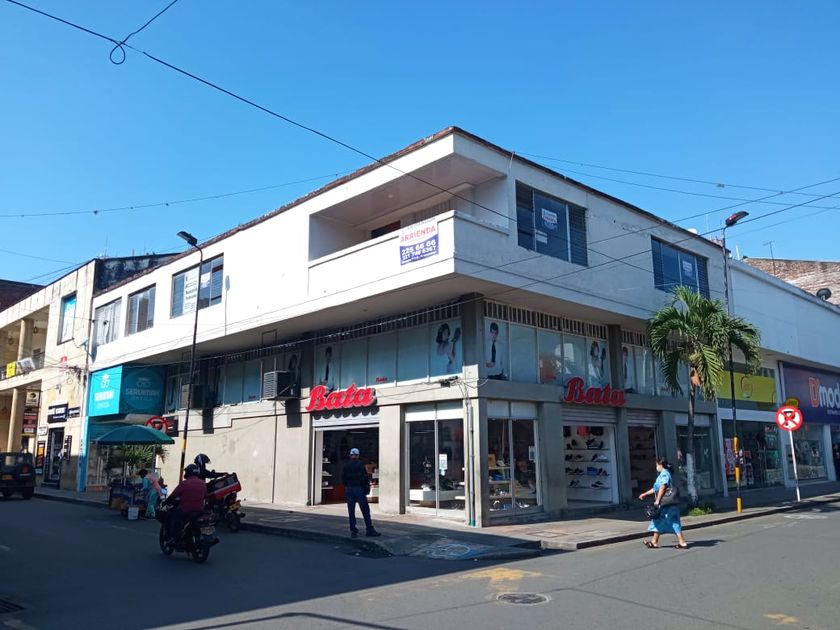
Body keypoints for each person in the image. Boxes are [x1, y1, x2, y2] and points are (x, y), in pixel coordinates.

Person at [639, 458, 689, 549]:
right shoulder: (664, 473)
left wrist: (657, 500)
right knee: (661, 521)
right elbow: (655, 488)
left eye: (656, 465)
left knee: (668, 521)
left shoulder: (664, 474)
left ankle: (681, 542)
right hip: (668, 503)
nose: (656, 467)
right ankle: (654, 542)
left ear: (660, 465)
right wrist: (645, 494)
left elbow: (662, 487)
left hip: (666, 503)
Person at [341, 448, 380, 538]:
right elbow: (365, 478)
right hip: (359, 489)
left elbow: (343, 479)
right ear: (358, 455)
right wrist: (366, 489)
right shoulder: (361, 465)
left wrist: (347, 487)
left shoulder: (346, 465)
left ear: (350, 455)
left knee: (351, 511)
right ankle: (369, 529)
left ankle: (353, 531)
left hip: (349, 489)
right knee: (365, 510)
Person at [165, 464, 207, 540]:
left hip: (186, 509)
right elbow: (204, 495)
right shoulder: (202, 483)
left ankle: (175, 537)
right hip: (200, 509)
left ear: (188, 473)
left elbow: (174, 495)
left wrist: (166, 501)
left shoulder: (185, 483)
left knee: (174, 518)